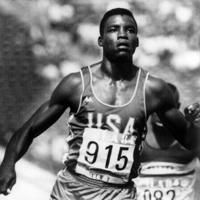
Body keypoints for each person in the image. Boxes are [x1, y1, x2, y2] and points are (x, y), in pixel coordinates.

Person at [0, 8, 200, 200]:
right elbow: (30, 128)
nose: (122, 35)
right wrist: (8, 163)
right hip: (71, 192)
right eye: (114, 29)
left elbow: (191, 141)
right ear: (100, 40)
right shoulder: (76, 84)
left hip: (119, 194)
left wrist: (195, 124)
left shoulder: (154, 90)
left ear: (137, 41)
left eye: (130, 30)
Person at [135, 83, 199, 200]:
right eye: (157, 107)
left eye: (167, 108)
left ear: (177, 107)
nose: (160, 115)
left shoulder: (192, 138)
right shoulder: (134, 138)